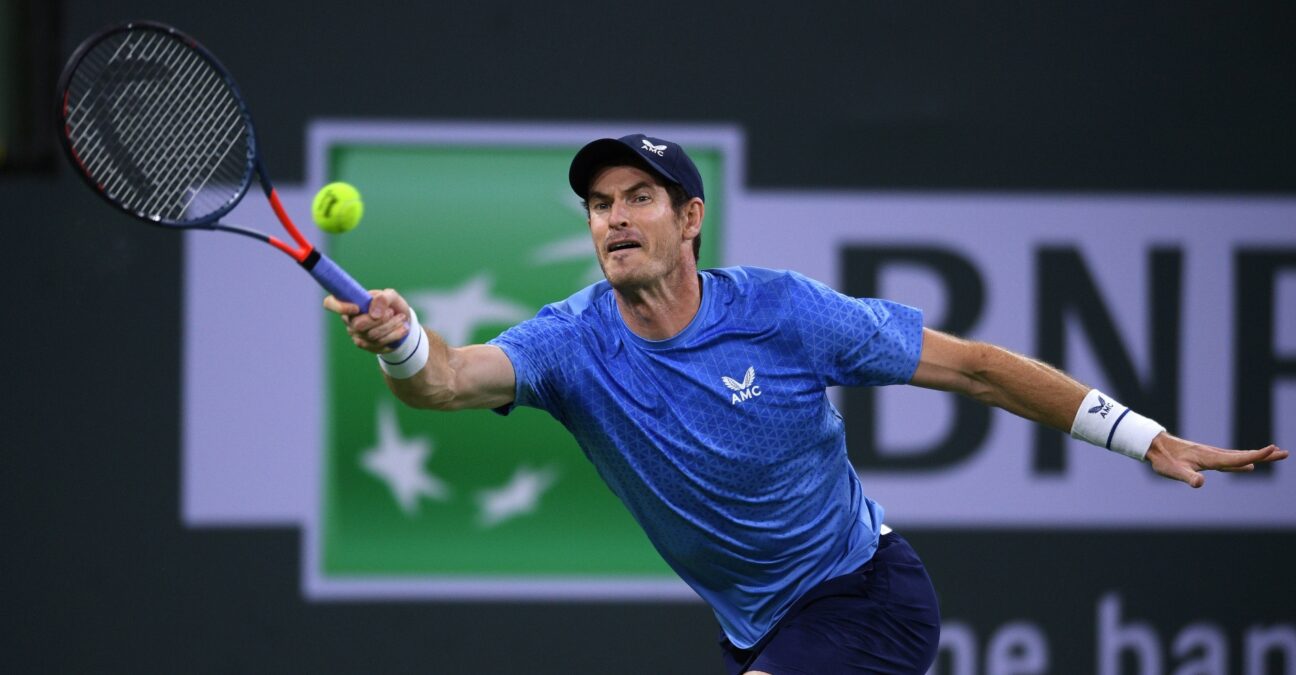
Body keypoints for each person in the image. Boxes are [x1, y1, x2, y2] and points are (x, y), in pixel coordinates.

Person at [322, 134, 1287, 675]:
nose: (613, 216)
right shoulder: (571, 340)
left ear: (689, 219)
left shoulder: (785, 313)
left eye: (638, 197)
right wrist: (402, 339)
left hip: (864, 600)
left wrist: (1142, 435)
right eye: (598, 202)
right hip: (761, 630)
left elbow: (980, 368)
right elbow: (447, 380)